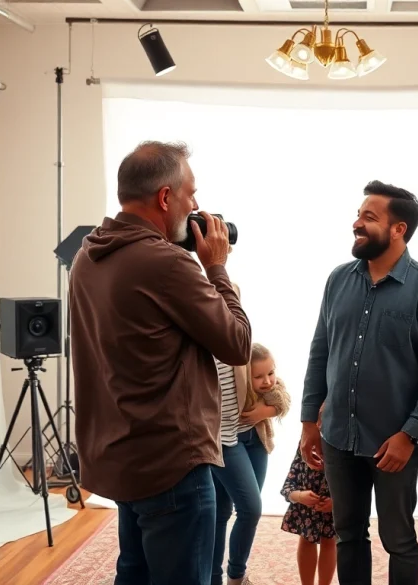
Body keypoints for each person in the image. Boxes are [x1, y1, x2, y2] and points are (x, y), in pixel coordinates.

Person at [69, 140, 252, 585]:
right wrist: (217, 270)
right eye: (192, 195)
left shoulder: (88, 254)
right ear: (166, 197)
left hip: (125, 454)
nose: (197, 207)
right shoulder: (169, 264)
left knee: (134, 572)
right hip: (172, 462)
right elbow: (237, 344)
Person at [299, 180, 418, 585]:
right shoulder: (338, 280)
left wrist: (410, 435)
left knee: (398, 539)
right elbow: (321, 352)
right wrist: (307, 422)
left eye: (369, 217)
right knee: (348, 534)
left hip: (394, 444)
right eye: (358, 214)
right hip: (337, 435)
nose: (357, 222)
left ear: (398, 229)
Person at [212, 342, 290, 585]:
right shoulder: (228, 376)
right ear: (245, 375)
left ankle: (231, 575)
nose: (267, 380)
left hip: (255, 442)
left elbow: (283, 399)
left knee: (230, 510)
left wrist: (263, 412)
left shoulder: (268, 382)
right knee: (247, 509)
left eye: (270, 372)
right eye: (259, 376)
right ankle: (230, 576)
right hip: (227, 444)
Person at [281, 405, 336, 585]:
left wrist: (337, 503)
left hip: (333, 508)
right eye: (319, 420)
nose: (321, 425)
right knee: (306, 539)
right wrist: (299, 496)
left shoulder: (343, 448)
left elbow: (356, 483)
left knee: (330, 542)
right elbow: (290, 480)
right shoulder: (306, 443)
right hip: (306, 507)